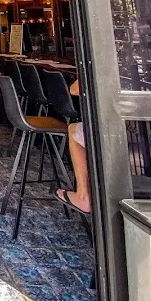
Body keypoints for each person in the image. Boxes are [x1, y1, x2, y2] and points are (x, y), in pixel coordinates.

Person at [56, 80, 91, 214]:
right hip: (133, 128)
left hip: (106, 128)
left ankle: (83, 196)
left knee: (74, 129)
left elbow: (74, 89)